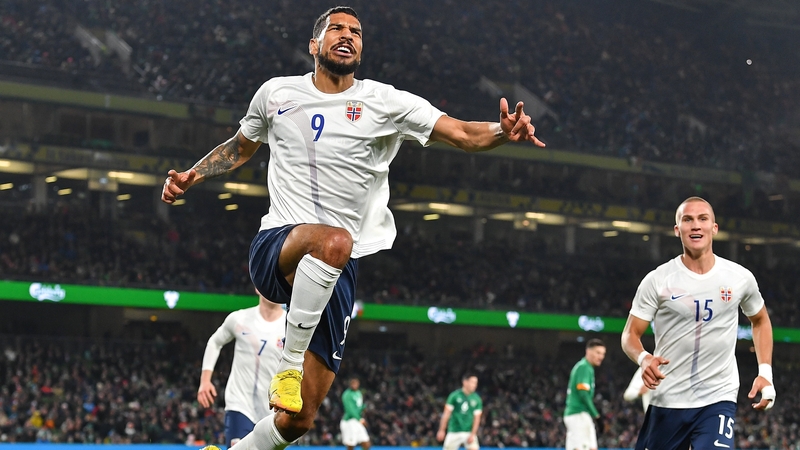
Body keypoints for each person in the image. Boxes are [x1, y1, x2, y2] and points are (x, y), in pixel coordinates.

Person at [162, 5, 544, 450]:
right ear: (314, 45)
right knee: (334, 239)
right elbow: (240, 146)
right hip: (279, 244)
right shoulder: (276, 94)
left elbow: (461, 133)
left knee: (299, 418)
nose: (347, 36)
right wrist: (193, 175)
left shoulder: (384, 101)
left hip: (339, 269)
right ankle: (287, 366)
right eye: (336, 29)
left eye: (356, 31)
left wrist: (502, 130)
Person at [621, 196, 776, 450]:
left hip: (718, 397)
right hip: (668, 399)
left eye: (703, 219)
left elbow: (760, 320)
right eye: (687, 219)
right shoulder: (658, 280)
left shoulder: (739, 278)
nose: (696, 225)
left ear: (714, 228)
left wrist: (765, 373)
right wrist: (643, 358)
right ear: (677, 229)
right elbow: (630, 335)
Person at [197, 291, 286, 447]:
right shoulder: (239, 318)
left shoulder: (290, 325)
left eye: (279, 285)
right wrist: (205, 380)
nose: (273, 289)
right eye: (269, 282)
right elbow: (214, 342)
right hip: (240, 405)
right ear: (258, 287)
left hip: (274, 410)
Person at [563, 338, 606, 450]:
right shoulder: (584, 367)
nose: (601, 356)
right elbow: (583, 395)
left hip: (581, 415)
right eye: (598, 353)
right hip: (578, 414)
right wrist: (597, 416)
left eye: (602, 354)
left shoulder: (586, 368)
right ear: (588, 351)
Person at [436, 373, 483, 450]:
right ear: (465, 382)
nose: (475, 385)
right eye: (472, 382)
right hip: (454, 430)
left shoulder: (477, 399)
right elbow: (446, 414)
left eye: (476, 383)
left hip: (468, 431)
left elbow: (477, 419)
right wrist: (442, 430)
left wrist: (473, 434)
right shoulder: (454, 396)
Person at [340, 377, 370, 450]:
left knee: (366, 444)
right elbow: (349, 410)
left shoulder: (358, 393)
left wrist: (363, 407)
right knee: (351, 446)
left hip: (357, 421)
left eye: (356, 383)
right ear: (350, 384)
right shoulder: (347, 395)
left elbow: (358, 407)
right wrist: (361, 420)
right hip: (349, 421)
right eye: (353, 383)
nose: (354, 385)